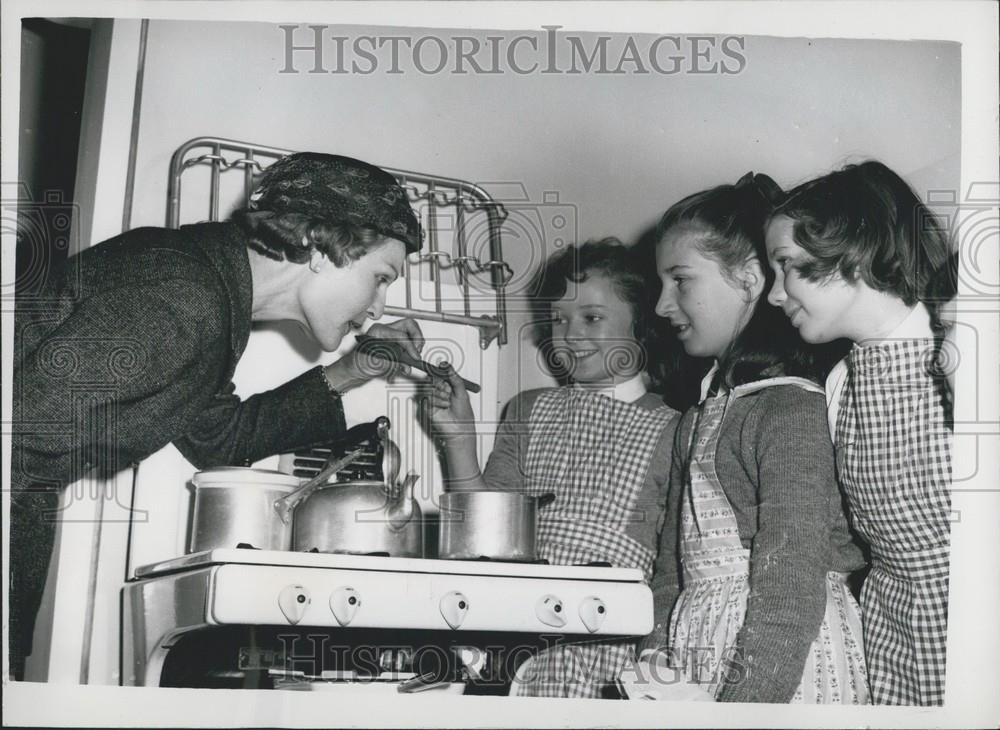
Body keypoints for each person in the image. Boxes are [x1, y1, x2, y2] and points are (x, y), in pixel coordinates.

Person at [10, 152, 426, 680]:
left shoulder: (208, 292)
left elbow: (220, 438)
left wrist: (350, 370)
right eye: (381, 277)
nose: (379, 308)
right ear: (322, 247)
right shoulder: (183, 295)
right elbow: (19, 424)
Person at [640, 173, 869, 703]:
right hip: (696, 648)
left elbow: (791, 581)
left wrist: (747, 709)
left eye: (681, 280)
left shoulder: (790, 408)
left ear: (748, 278)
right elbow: (672, 568)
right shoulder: (695, 418)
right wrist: (654, 660)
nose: (661, 305)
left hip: (781, 665)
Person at [428, 238, 681, 698]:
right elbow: (488, 533)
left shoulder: (676, 429)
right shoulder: (528, 409)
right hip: (513, 628)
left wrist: (654, 657)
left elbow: (670, 568)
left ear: (642, 325)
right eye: (558, 320)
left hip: (605, 645)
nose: (570, 334)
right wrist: (458, 439)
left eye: (592, 318)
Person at [764, 160, 953, 705]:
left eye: (787, 266)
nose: (775, 295)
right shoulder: (842, 381)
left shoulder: (961, 351)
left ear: (854, 251)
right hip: (889, 633)